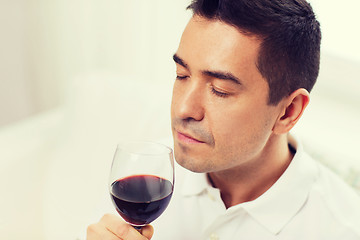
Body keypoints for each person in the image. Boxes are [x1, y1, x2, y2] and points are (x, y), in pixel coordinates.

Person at [86, 0, 360, 239]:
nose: (183, 109)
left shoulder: (342, 229)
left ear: (288, 112)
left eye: (220, 90)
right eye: (182, 75)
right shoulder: (141, 180)